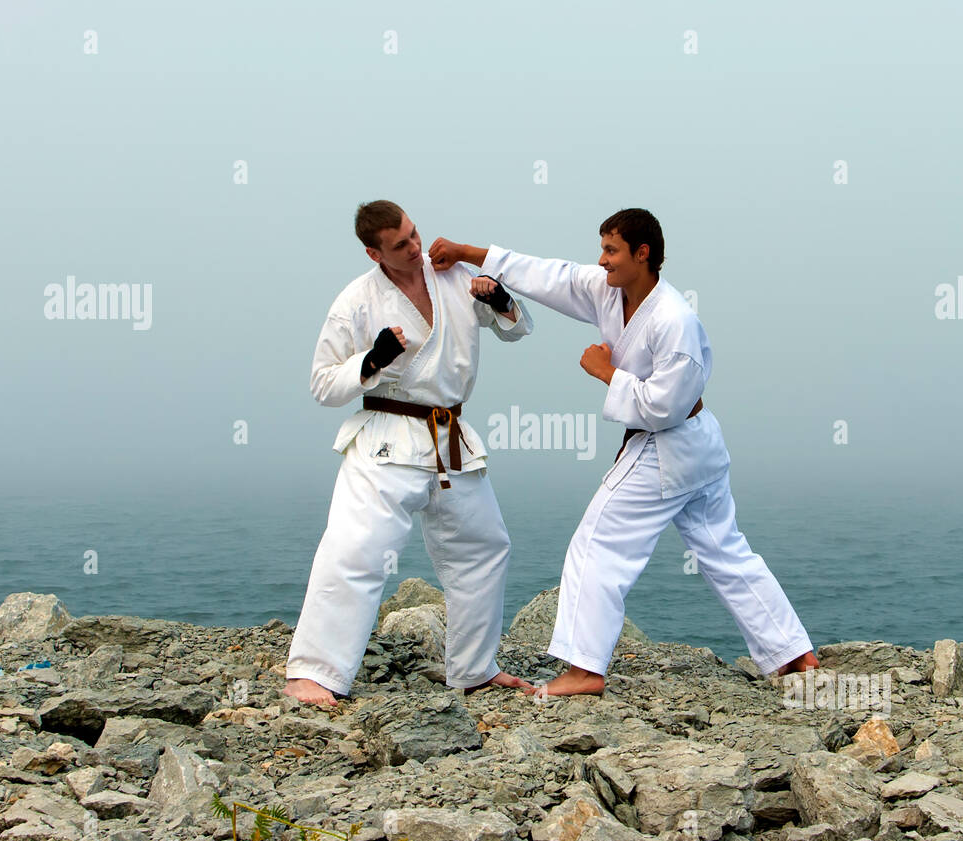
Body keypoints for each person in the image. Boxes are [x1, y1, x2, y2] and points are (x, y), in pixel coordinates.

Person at [429, 209, 818, 697]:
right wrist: (468, 253)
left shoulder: (674, 320)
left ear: (643, 253)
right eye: (602, 249)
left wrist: (605, 372)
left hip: (668, 444)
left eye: (612, 251)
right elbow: (551, 275)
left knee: (598, 545)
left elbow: (663, 407)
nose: (602, 260)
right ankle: (792, 653)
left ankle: (584, 670)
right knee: (723, 550)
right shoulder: (610, 291)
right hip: (698, 448)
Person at [282, 200, 535, 707]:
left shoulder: (454, 275)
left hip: (448, 434)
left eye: (415, 233)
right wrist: (372, 359)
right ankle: (313, 673)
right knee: (356, 549)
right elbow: (322, 384)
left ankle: (474, 669)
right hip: (386, 435)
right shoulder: (355, 301)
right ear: (374, 251)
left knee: (484, 548)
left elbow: (516, 326)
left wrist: (500, 297)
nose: (416, 247)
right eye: (401, 245)